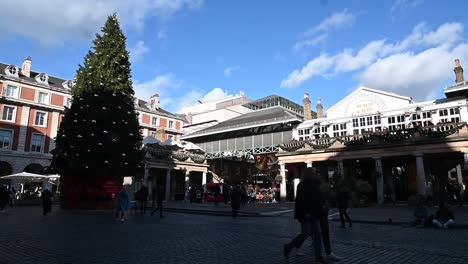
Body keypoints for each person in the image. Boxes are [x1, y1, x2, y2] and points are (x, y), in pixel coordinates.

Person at [283, 168, 326, 263]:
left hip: (315, 213)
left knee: (318, 235)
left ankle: (318, 256)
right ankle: (289, 246)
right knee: (305, 234)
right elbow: (301, 201)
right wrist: (305, 213)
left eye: (315, 173)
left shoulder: (316, 184)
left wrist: (323, 205)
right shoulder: (302, 185)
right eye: (313, 173)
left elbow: (319, 197)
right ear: (308, 174)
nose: (314, 174)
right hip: (306, 214)